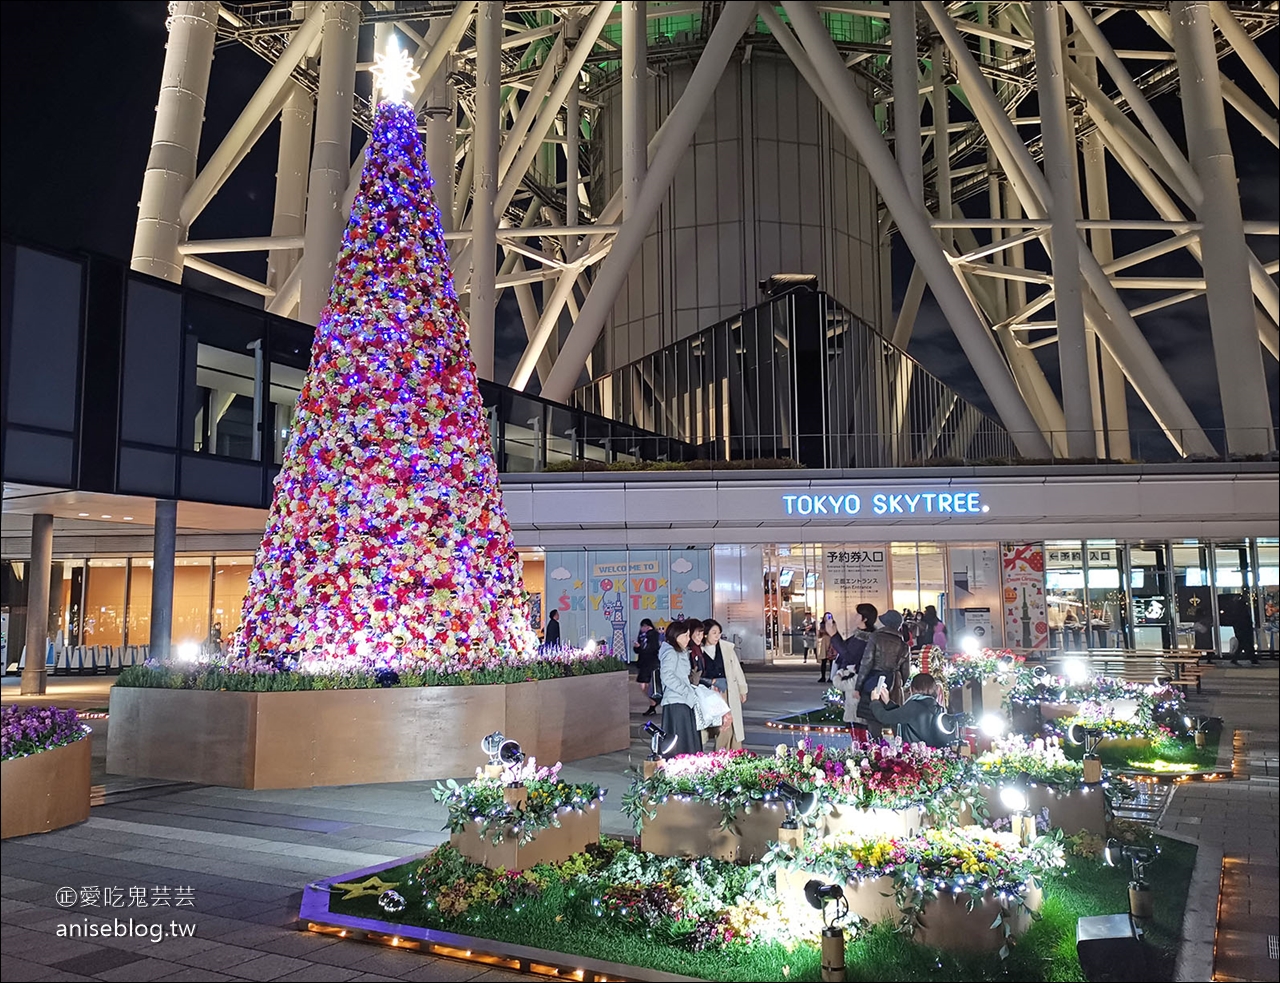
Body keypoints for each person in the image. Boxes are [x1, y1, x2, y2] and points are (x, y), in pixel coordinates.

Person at [854, 609, 912, 732]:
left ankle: (877, 748)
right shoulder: (904, 646)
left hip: (874, 683)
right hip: (894, 684)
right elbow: (906, 673)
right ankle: (899, 748)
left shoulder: (876, 637)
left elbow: (866, 663)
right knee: (895, 719)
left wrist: (858, 687)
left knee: (873, 720)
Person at [867, 672, 951, 747]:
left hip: (915, 755)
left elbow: (884, 717)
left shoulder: (914, 706)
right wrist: (888, 702)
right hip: (933, 756)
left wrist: (874, 701)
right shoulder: (938, 708)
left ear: (912, 689)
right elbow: (902, 715)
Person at [658, 620, 704, 756]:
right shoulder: (671, 652)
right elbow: (667, 676)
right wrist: (685, 691)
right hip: (676, 701)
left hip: (682, 700)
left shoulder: (679, 652)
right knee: (682, 740)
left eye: (688, 635)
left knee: (686, 739)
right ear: (675, 636)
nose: (688, 639)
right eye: (685, 635)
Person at [701, 620, 748, 750]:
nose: (717, 636)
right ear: (705, 634)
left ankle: (728, 755)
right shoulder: (698, 651)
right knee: (714, 725)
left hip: (727, 691)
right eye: (714, 633)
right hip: (708, 693)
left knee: (729, 725)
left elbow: (736, 669)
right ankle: (718, 756)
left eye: (719, 633)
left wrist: (742, 689)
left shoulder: (726, 648)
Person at [633, 618, 662, 716]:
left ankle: (652, 705)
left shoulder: (654, 634)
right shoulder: (641, 636)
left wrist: (641, 647)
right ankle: (653, 702)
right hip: (643, 663)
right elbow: (638, 651)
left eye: (643, 626)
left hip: (652, 663)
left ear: (648, 626)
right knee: (642, 685)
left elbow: (653, 648)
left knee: (650, 685)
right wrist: (637, 647)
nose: (641, 629)